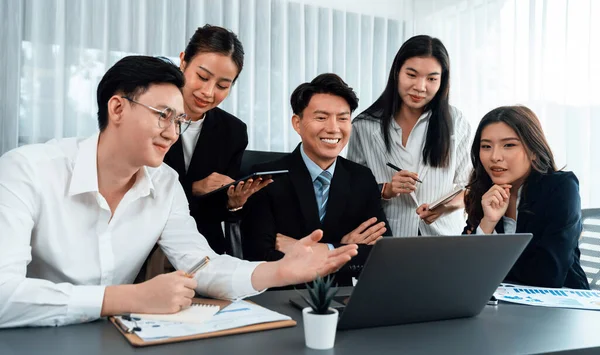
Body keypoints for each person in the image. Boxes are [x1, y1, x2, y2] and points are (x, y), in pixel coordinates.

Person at [0, 56, 358, 328]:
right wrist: (129, 297)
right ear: (117, 107)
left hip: (120, 336)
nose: (172, 133)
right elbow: (4, 295)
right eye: (162, 115)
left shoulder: (165, 183)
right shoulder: (26, 170)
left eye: (179, 121)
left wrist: (277, 273)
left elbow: (201, 264)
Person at [241, 74, 391, 285]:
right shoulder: (266, 178)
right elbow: (258, 255)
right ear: (297, 123)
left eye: (342, 118)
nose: (333, 128)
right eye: (321, 117)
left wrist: (324, 249)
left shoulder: (361, 178)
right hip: (280, 298)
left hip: (341, 301)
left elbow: (382, 254)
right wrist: (344, 247)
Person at [347, 35, 472, 237]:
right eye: (412, 75)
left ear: (442, 81)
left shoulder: (456, 122)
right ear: (397, 72)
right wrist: (385, 190)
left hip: (444, 239)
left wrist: (445, 208)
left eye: (431, 79)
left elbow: (470, 188)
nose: (420, 87)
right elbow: (352, 192)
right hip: (388, 239)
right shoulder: (364, 125)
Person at [164, 24, 270, 254]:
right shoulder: (152, 112)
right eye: (202, 77)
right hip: (145, 244)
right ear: (183, 61)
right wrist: (193, 188)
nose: (208, 92)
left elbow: (213, 212)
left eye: (223, 85)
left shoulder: (233, 131)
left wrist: (233, 203)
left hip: (203, 248)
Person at [463, 105, 589, 289]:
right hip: (502, 304)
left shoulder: (561, 188)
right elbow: (465, 269)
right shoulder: (484, 191)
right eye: (486, 146)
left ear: (533, 150)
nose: (495, 156)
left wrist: (492, 259)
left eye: (509, 145)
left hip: (561, 305)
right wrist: (487, 223)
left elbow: (547, 274)